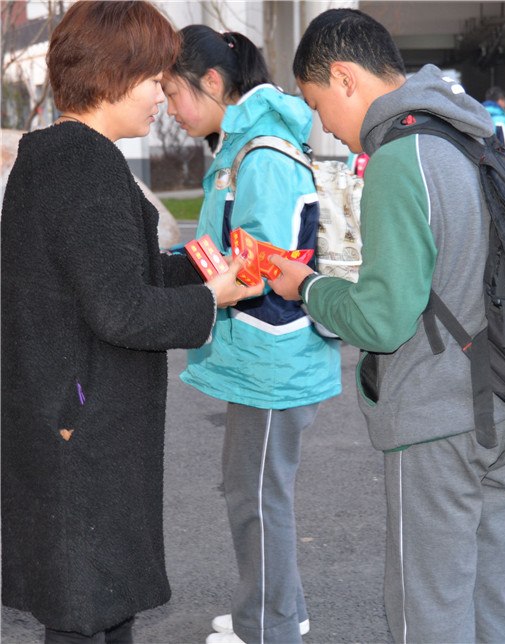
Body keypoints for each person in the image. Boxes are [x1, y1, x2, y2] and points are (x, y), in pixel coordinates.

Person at [0, 3, 263, 643]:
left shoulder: (55, 155)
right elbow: (121, 310)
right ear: (113, 76)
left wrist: (200, 267)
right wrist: (215, 298)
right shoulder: (85, 164)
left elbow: (108, 275)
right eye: (152, 79)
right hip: (84, 432)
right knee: (86, 610)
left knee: (96, 605)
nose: (159, 97)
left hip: (68, 418)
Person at [268, 9, 505, 644]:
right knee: (486, 599)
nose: (325, 125)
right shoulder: (471, 136)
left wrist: (307, 286)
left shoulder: (399, 157)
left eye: (318, 104)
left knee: (428, 615)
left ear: (344, 77)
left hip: (437, 422)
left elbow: (382, 320)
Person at [162, 25, 341, 644]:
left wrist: (196, 285)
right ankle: (279, 610)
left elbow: (265, 265)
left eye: (173, 92)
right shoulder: (247, 144)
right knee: (258, 491)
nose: (169, 108)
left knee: (256, 496)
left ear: (212, 82)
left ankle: (267, 626)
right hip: (269, 353)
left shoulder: (260, 153)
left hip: (271, 358)